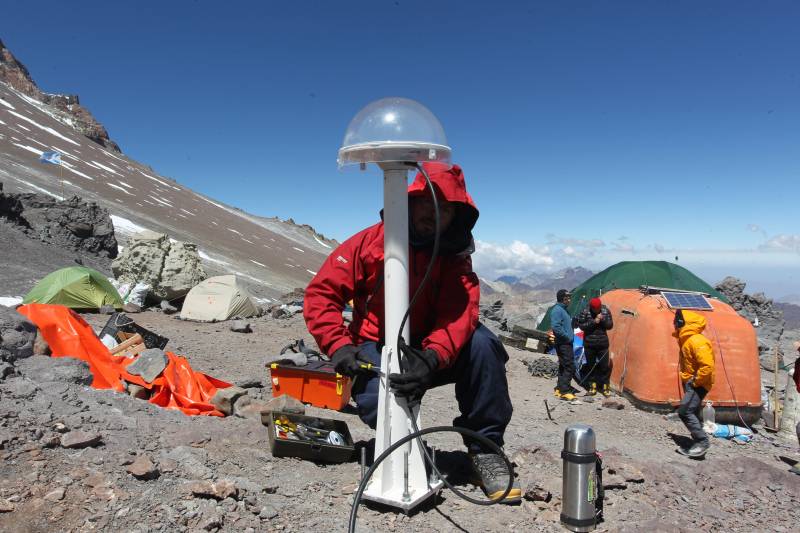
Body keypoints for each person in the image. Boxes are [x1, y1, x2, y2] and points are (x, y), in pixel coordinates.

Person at [303, 162, 520, 503]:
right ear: (410, 200)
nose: (433, 213)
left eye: (445, 207)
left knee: (483, 345)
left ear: (456, 216)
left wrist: (433, 357)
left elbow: (459, 310)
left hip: (431, 349)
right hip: (378, 343)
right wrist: (339, 346)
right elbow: (322, 294)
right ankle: (405, 444)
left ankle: (486, 450)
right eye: (427, 201)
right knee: (379, 404)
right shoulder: (369, 243)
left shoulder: (454, 254)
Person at [673, 309, 715, 458]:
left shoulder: (696, 340)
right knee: (692, 410)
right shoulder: (688, 339)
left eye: (677, 321)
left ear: (683, 323)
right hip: (693, 381)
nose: (675, 324)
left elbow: (707, 366)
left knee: (685, 411)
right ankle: (696, 441)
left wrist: (695, 381)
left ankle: (702, 442)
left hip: (698, 383)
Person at [576, 297, 614, 396]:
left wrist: (603, 320)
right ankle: (592, 387)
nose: (597, 310)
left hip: (603, 344)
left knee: (604, 367)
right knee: (591, 366)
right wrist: (594, 321)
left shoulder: (605, 311)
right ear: (591, 307)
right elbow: (581, 326)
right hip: (589, 344)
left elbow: (610, 326)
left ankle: (605, 387)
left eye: (598, 309)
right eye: (595, 309)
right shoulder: (585, 311)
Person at [551, 289, 578, 400]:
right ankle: (565, 391)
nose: (570, 300)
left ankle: (559, 388)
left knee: (563, 365)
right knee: (569, 366)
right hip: (564, 343)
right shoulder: (557, 310)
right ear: (563, 298)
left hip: (564, 342)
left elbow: (563, 325)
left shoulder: (563, 310)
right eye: (568, 298)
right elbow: (556, 327)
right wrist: (567, 337)